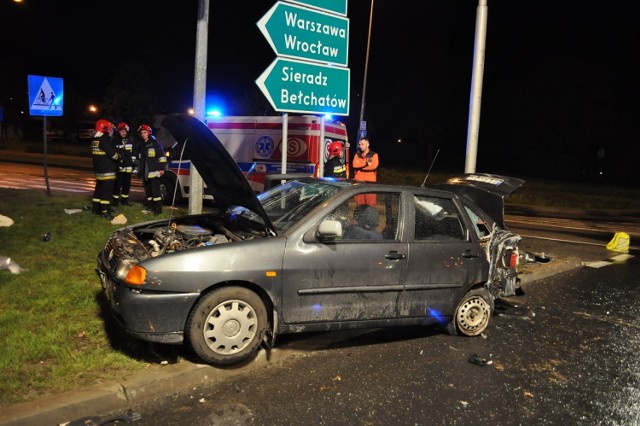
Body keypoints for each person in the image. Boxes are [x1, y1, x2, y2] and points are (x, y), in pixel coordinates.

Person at [91, 119, 119, 219]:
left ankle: (96, 209)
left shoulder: (95, 140)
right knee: (106, 192)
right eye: (110, 130)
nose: (111, 132)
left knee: (98, 190)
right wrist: (119, 156)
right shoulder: (105, 140)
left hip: (99, 171)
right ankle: (105, 211)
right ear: (106, 129)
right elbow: (114, 155)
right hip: (107, 171)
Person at [137, 124, 167, 215]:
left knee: (156, 193)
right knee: (148, 193)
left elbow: (162, 157)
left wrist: (162, 169)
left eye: (145, 132)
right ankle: (150, 208)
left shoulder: (155, 144)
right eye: (142, 133)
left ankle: (158, 210)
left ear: (149, 133)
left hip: (154, 173)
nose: (143, 134)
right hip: (146, 173)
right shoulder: (142, 145)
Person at [112, 122, 138, 206]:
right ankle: (115, 201)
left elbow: (134, 153)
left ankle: (124, 201)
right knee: (117, 185)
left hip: (128, 168)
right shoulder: (115, 141)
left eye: (125, 131)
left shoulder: (130, 141)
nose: (124, 133)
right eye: (122, 131)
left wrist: (133, 163)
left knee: (127, 185)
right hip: (119, 168)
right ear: (119, 131)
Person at [352, 137, 379, 205]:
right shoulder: (357, 154)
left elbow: (373, 166)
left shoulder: (373, 155)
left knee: (370, 205)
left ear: (368, 144)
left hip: (370, 184)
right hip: (359, 183)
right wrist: (366, 163)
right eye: (359, 144)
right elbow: (354, 164)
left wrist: (360, 165)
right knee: (359, 204)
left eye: (362, 144)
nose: (360, 146)